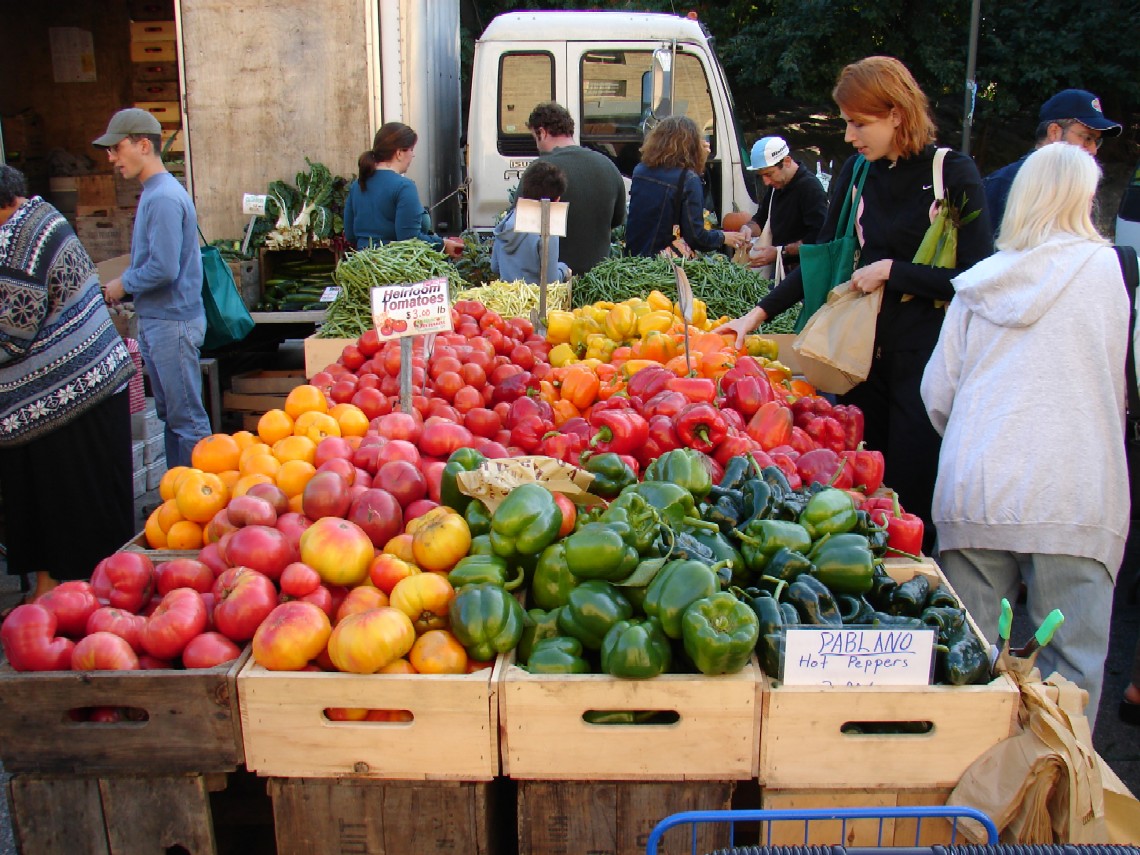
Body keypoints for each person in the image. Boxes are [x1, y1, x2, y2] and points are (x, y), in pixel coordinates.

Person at [715, 57, 993, 551]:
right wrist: (755, 316)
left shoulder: (952, 172)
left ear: (898, 114)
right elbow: (822, 262)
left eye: (859, 123)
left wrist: (892, 272)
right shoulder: (857, 174)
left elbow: (976, 278)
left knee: (910, 497)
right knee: (862, 492)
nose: (848, 135)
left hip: (924, 365)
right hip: (858, 363)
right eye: (846, 121)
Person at [921, 143, 1128, 730]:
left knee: (969, 672)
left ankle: (969, 807)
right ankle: (1057, 804)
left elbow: (938, 393)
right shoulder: (1106, 271)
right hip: (1076, 492)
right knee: (1070, 680)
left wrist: (974, 438)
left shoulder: (978, 283)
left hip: (977, 488)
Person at [0, 164, 137, 601]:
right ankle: (54, 590)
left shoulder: (23, 240)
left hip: (71, 396)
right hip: (75, 392)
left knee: (72, 505)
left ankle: (80, 600)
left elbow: (12, 330)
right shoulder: (38, 217)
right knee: (56, 502)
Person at [96, 108, 212, 469]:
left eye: (116, 148)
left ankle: (202, 497)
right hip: (162, 320)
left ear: (143, 145)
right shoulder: (154, 192)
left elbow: (163, 268)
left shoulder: (162, 197)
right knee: (173, 417)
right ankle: (179, 499)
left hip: (172, 323)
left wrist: (121, 285)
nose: (112, 158)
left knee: (187, 420)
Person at [983, 89, 1121, 236]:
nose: (1093, 150)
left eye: (1096, 141)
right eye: (1087, 138)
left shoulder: (1080, 187)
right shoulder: (1002, 183)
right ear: (1054, 132)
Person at [524, 102, 627, 275]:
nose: (537, 146)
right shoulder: (608, 166)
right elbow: (617, 220)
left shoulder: (539, 170)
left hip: (555, 283)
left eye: (535, 138)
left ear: (542, 132)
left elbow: (524, 230)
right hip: (599, 280)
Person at [625, 116, 747, 258]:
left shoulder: (640, 170)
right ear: (692, 146)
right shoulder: (688, 179)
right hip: (662, 263)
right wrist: (724, 237)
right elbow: (696, 237)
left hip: (634, 258)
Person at [344, 122, 464, 256]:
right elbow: (409, 239)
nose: (413, 155)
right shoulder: (404, 186)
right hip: (394, 270)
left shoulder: (357, 185)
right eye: (411, 149)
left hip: (362, 266)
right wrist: (442, 245)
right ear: (399, 153)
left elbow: (350, 235)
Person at [745, 135, 828, 274]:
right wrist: (747, 229)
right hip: (781, 269)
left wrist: (781, 252)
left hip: (805, 272)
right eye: (761, 176)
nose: (766, 182)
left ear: (787, 161)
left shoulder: (810, 188)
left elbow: (819, 237)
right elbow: (762, 217)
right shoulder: (776, 185)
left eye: (769, 174)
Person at [491, 161, 572, 285]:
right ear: (556, 200)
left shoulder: (507, 222)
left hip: (505, 299)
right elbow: (550, 280)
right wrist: (563, 269)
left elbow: (495, 267)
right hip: (534, 301)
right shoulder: (547, 228)